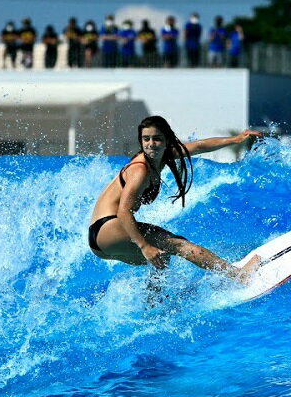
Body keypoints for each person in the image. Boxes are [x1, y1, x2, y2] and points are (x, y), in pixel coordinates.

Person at [88, 116, 263, 287]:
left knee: (161, 257)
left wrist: (237, 139)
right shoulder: (140, 170)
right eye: (145, 139)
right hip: (108, 227)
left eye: (156, 139)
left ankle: (152, 308)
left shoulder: (164, 156)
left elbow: (201, 145)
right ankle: (240, 276)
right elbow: (124, 212)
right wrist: (143, 246)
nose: (150, 143)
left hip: (100, 239)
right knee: (179, 244)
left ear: (166, 141)